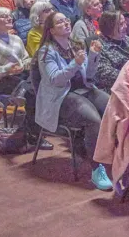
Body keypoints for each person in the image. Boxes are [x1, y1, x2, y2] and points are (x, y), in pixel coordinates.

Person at [35, 11, 111, 190]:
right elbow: (56, 80)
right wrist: (75, 63)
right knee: (94, 121)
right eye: (60, 22)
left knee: (114, 108)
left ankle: (115, 155)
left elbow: (89, 76)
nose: (66, 23)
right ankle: (96, 169)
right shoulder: (46, 51)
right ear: (52, 30)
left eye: (67, 20)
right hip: (60, 98)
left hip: (83, 90)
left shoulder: (75, 45)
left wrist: (93, 56)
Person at [93, 9, 129, 92]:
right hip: (119, 88)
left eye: (125, 22)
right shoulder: (100, 47)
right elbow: (105, 75)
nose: (125, 26)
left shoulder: (128, 39)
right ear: (110, 27)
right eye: (121, 24)